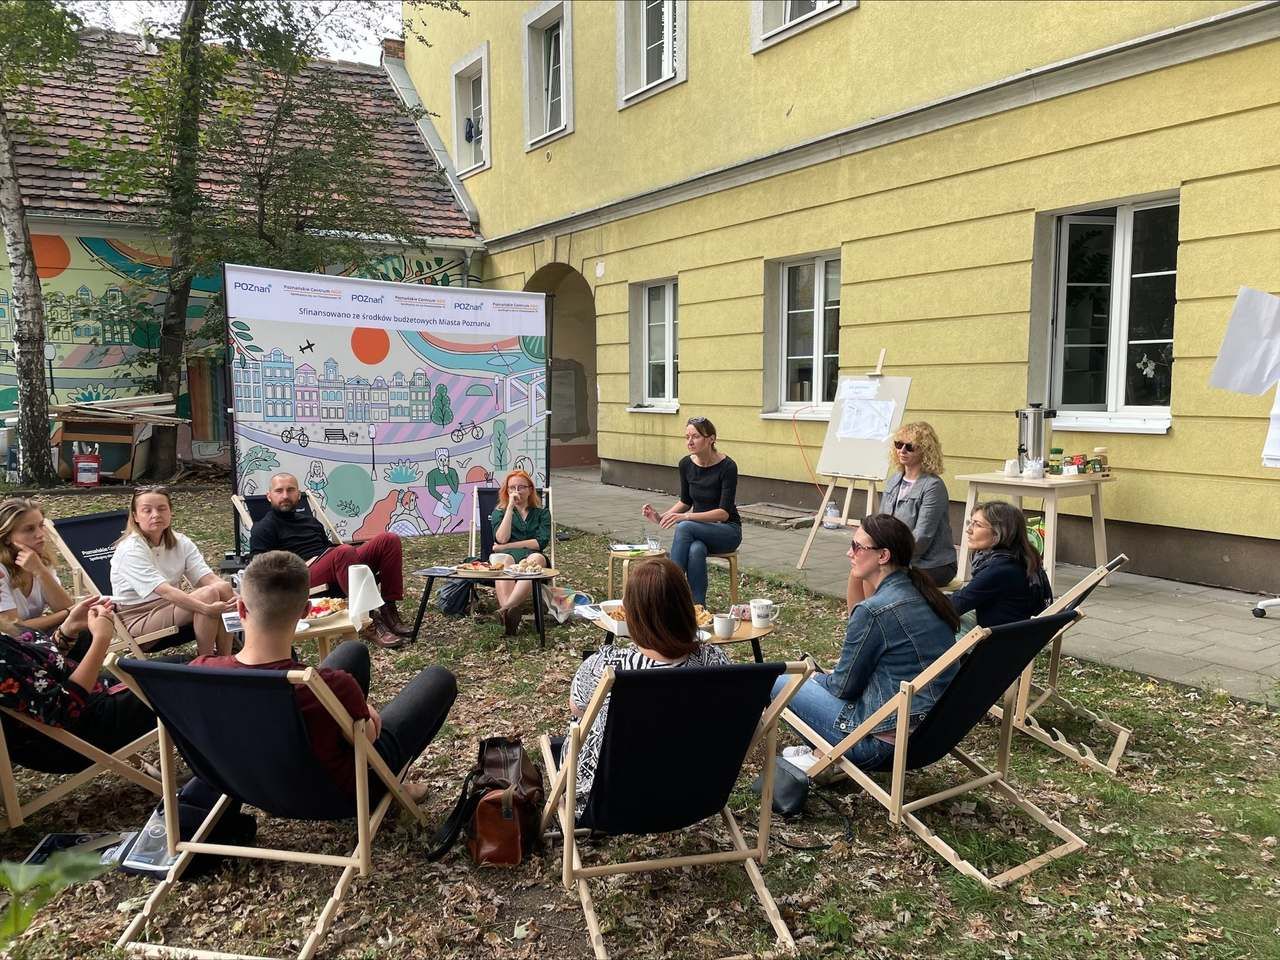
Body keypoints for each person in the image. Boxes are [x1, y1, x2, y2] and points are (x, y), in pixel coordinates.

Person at [193, 551, 457, 800]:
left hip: (247, 783)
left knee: (352, 651)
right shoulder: (333, 687)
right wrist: (363, 712)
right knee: (439, 679)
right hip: (333, 794)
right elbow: (369, 739)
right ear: (306, 610)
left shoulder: (200, 672)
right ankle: (390, 787)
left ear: (240, 609)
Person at [780, 514, 961, 773]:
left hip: (881, 744)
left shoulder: (876, 610)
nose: (849, 553)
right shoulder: (925, 594)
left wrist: (817, 678)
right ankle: (818, 753)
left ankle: (825, 755)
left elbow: (843, 687)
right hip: (932, 732)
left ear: (883, 555)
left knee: (780, 682)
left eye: (857, 547)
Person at [567, 558, 729, 817]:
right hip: (694, 793)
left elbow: (577, 707)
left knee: (578, 724)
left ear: (633, 613)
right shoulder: (715, 662)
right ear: (686, 608)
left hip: (611, 801)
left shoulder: (607, 665)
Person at [0, 599, 166, 774]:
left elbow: (36, 673)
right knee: (179, 682)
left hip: (92, 702)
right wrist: (101, 639)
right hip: (75, 738)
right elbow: (62, 710)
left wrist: (68, 629)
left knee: (175, 670)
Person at [248, 472, 409, 649]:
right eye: (279, 491)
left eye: (290, 490)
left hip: (332, 567)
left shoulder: (310, 521)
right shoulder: (263, 528)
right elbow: (260, 569)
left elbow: (326, 548)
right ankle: (366, 620)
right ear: (269, 496)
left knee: (388, 540)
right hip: (300, 578)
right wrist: (292, 567)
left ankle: (388, 609)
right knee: (343, 552)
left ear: (298, 494)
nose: (285, 495)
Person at [111, 487, 236, 657]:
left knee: (223, 588)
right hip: (139, 618)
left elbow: (207, 577)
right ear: (135, 516)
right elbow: (165, 591)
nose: (156, 514)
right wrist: (206, 609)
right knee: (208, 595)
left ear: (170, 512)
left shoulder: (180, 542)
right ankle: (206, 662)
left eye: (162, 508)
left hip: (171, 607)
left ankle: (226, 658)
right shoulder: (130, 549)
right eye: (147, 510)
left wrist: (236, 596)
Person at [847, 421, 956, 613]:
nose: (902, 450)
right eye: (898, 444)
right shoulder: (895, 480)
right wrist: (872, 550)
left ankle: (879, 619)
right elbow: (881, 526)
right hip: (896, 556)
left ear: (925, 451)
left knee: (873, 570)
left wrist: (888, 558)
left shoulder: (933, 486)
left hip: (933, 564)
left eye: (910, 447)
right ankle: (858, 622)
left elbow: (922, 537)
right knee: (858, 571)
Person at [641, 417, 741, 606]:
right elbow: (686, 501)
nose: (690, 441)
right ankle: (697, 608)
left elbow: (723, 513)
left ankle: (670, 588)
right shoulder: (686, 464)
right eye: (687, 437)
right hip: (698, 532)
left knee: (685, 526)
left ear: (711, 439)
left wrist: (685, 517)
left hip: (727, 531)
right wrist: (661, 517)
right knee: (695, 550)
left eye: (695, 436)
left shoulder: (728, 466)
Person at [950, 501, 1052, 628]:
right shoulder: (1025, 558)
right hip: (1024, 632)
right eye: (970, 523)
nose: (968, 530)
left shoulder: (999, 570)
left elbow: (954, 606)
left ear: (999, 533)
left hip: (1001, 637)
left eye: (977, 525)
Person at [0, 498, 83, 653]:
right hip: (9, 646)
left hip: (33, 639)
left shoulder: (38, 560)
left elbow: (64, 606)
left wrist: (40, 571)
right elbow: (13, 628)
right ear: (7, 537)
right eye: (29, 529)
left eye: (41, 525)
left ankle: (74, 669)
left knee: (81, 627)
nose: (40, 534)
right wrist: (67, 613)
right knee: (74, 623)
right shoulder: (1, 571)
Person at [490, 469, 551, 636]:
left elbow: (539, 543)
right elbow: (502, 538)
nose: (516, 491)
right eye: (512, 488)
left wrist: (504, 546)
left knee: (536, 559)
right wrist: (510, 507)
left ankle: (504, 610)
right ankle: (510, 614)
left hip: (532, 553)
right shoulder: (500, 512)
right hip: (508, 555)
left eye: (521, 487)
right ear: (506, 491)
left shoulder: (542, 513)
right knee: (502, 561)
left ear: (530, 489)